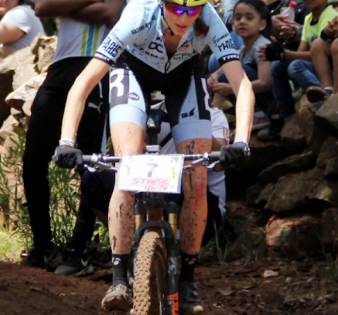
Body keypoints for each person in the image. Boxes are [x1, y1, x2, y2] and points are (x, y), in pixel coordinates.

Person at [54, 0, 254, 315]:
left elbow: (241, 84)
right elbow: (83, 82)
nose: (184, 16)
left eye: (193, 8)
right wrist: (66, 140)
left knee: (195, 178)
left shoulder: (209, 20)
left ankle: (189, 278)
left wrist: (242, 140)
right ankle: (118, 275)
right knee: (127, 170)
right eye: (176, 7)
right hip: (132, 73)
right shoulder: (138, 15)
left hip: (183, 78)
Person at [23, 0, 135, 272]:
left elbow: (112, 12)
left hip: (97, 65)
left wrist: (68, 3)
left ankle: (79, 250)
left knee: (91, 161)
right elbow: (42, 7)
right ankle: (44, 247)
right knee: (33, 158)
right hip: (59, 67)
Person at [79, 102, 230, 247]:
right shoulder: (148, 112)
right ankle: (129, 244)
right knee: (92, 179)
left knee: (185, 182)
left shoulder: (213, 115)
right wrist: (133, 139)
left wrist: (197, 122)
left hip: (201, 200)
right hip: (151, 186)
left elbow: (219, 163)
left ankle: (182, 249)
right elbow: (117, 159)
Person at [264, 0, 338, 117]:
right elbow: (301, 53)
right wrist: (280, 51)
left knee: (294, 66)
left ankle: (326, 104)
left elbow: (317, 55)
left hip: (329, 72)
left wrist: (286, 54)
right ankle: (287, 117)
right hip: (312, 69)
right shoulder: (308, 18)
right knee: (278, 66)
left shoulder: (330, 17)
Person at [208, 0, 273, 128]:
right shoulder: (243, 49)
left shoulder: (262, 47)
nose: (242, 22)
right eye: (238, 18)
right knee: (224, 74)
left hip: (271, 100)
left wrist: (231, 89)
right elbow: (226, 66)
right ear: (233, 24)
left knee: (232, 73)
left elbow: (265, 83)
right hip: (254, 94)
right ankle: (252, 112)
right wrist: (213, 75)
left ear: (262, 24)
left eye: (249, 18)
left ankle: (260, 114)